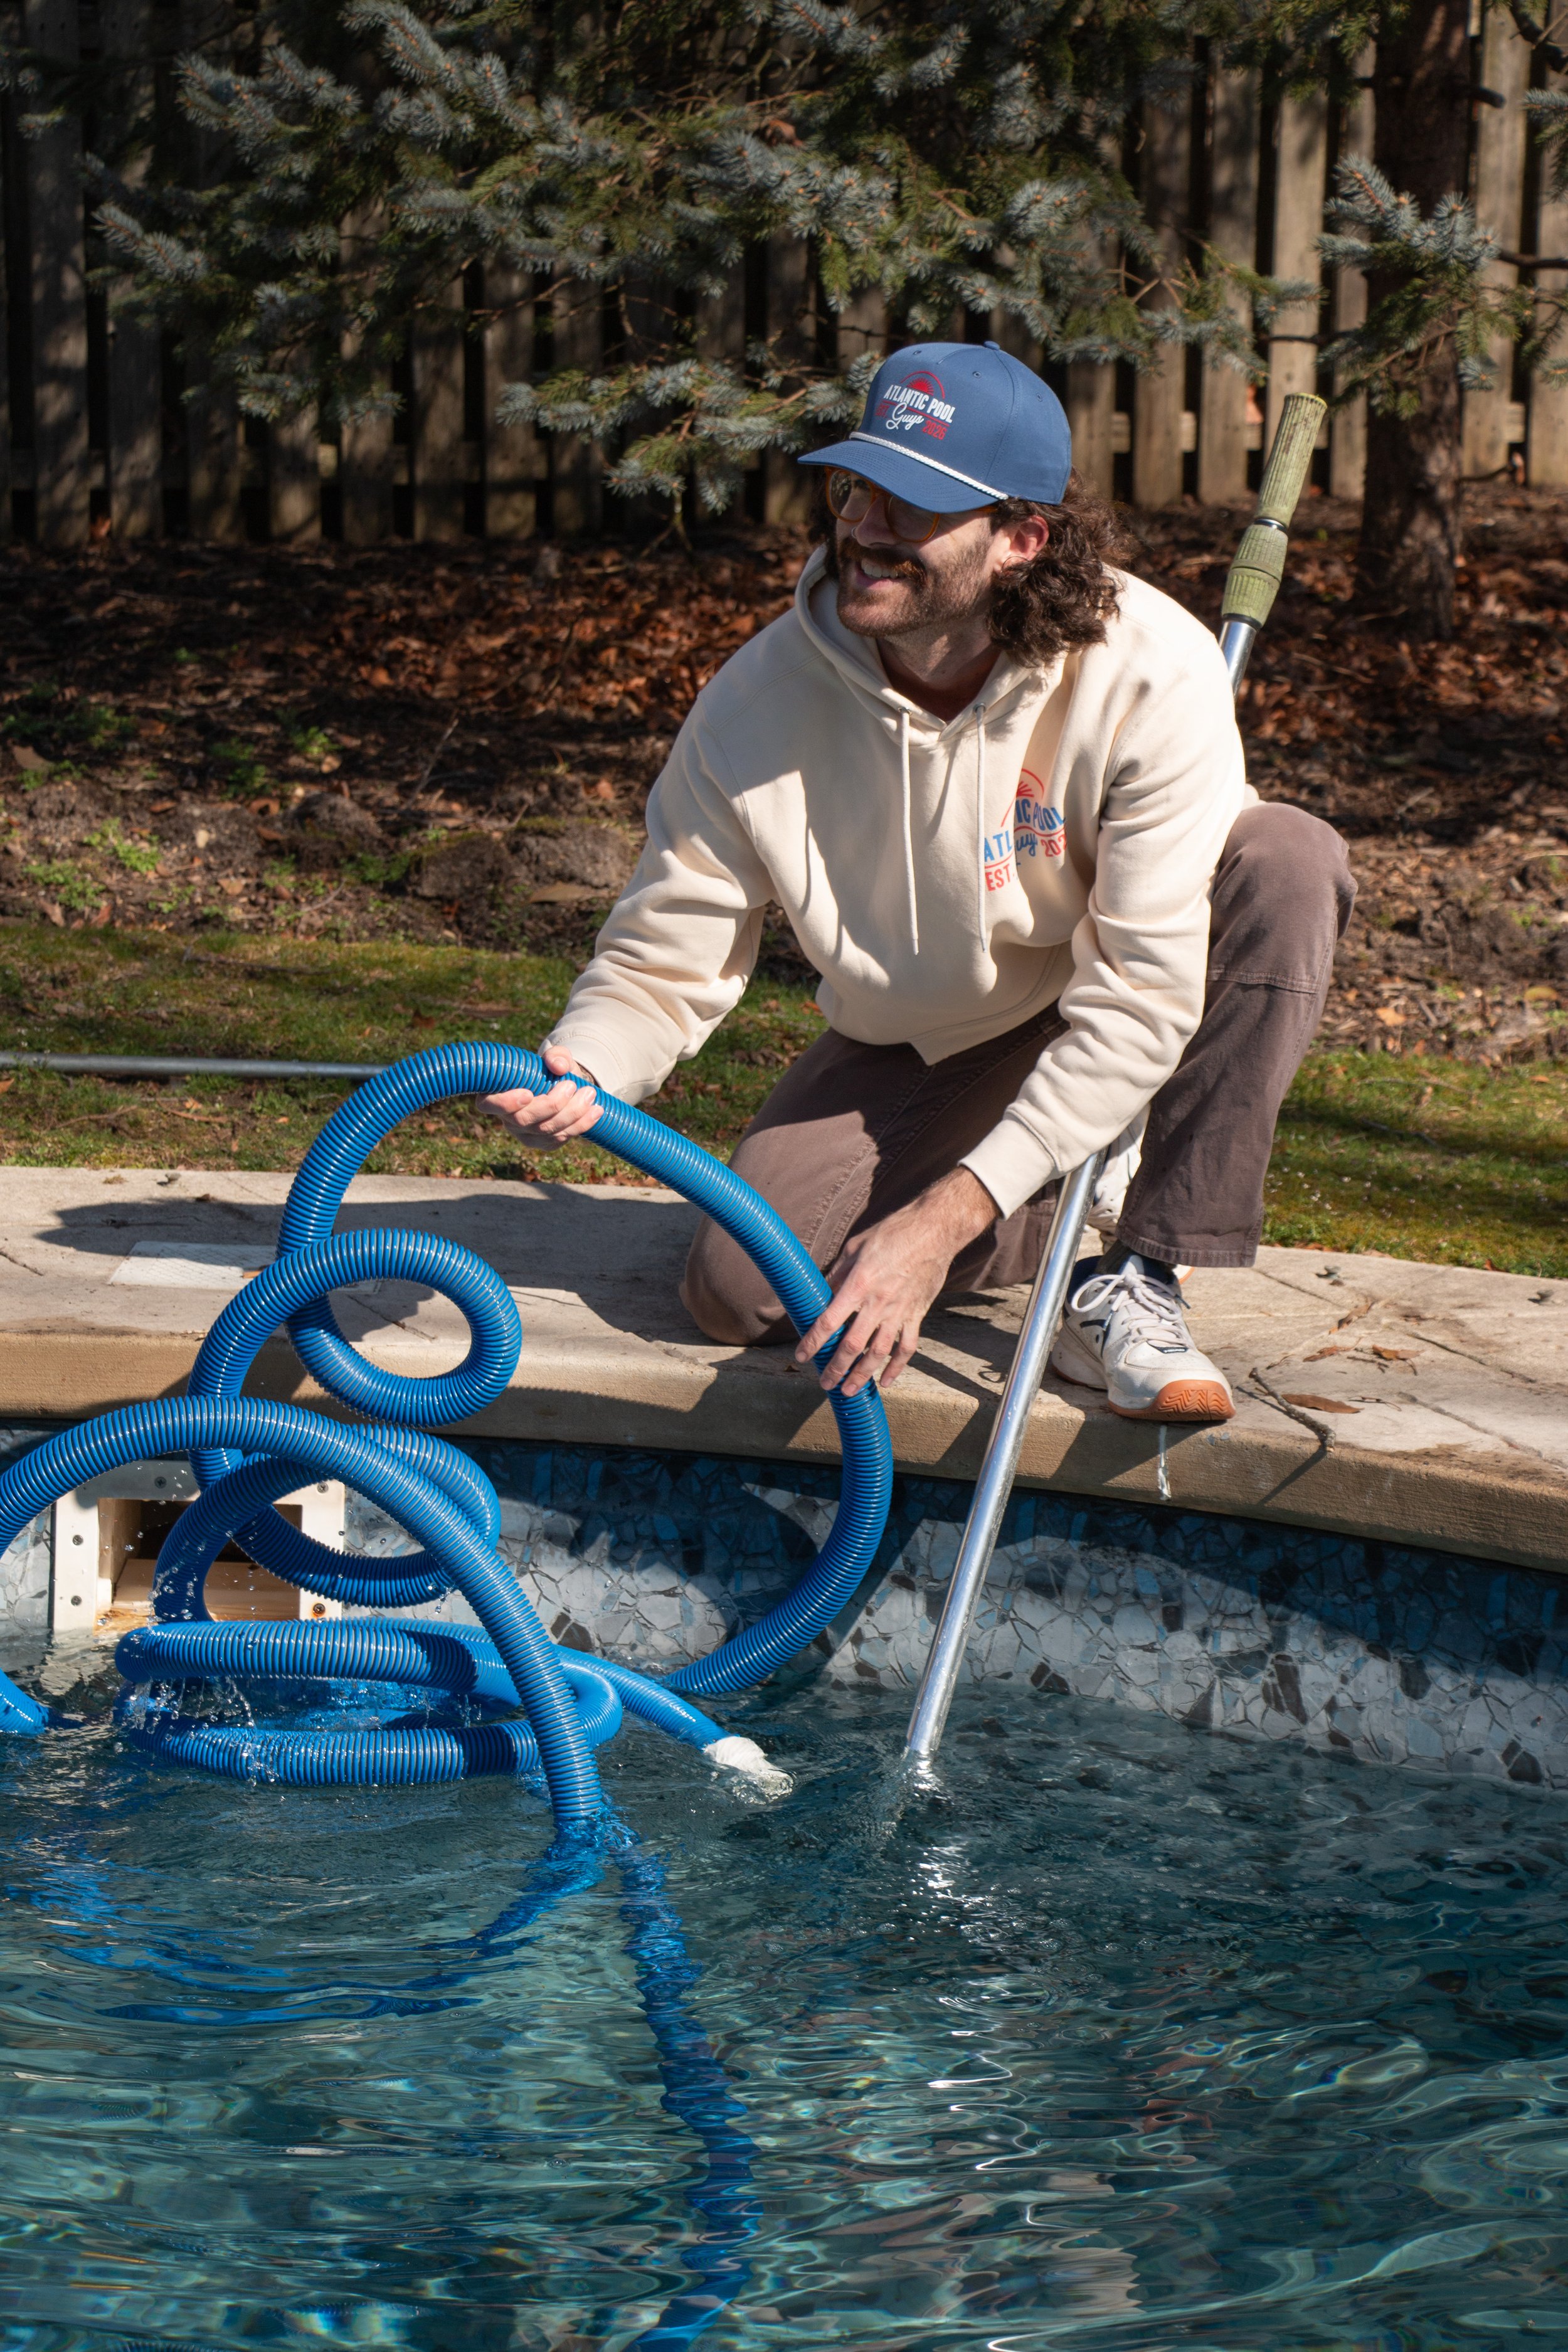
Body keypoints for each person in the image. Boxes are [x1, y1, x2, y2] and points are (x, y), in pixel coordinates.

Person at [485, 341, 1355, 1421]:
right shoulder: (762, 703)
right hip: (928, 1036)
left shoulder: (1151, 674)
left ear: (1020, 539)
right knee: (742, 1291)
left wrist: (937, 1223)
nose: (864, 528)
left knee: (1288, 860)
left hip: (1125, 984)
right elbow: (670, 943)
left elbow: (1140, 997)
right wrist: (593, 1060)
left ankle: (1139, 1268)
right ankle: (1058, 1175)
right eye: (856, 490)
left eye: (914, 505)